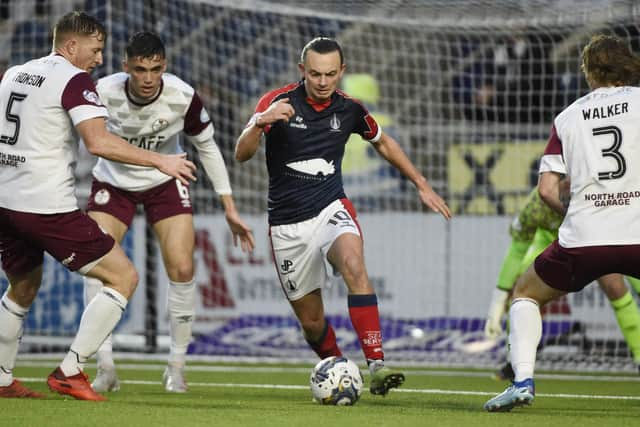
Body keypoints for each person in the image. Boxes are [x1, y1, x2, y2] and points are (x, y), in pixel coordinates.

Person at [235, 37, 451, 396]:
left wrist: (420, 183)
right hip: (287, 225)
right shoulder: (276, 102)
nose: (323, 82)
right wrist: (259, 123)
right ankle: (339, 368)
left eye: (331, 75)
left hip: (331, 207)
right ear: (302, 70)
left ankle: (377, 364)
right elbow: (241, 154)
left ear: (342, 72)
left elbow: (382, 141)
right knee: (312, 323)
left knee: (354, 263)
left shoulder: (349, 108)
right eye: (315, 74)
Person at [0, 12, 196, 401]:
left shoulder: (15, 74)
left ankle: (2, 378)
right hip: (45, 204)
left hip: (5, 200)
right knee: (123, 277)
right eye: (95, 49)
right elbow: (99, 142)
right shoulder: (73, 80)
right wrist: (162, 160)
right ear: (72, 46)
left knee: (22, 285)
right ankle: (72, 370)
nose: (99, 58)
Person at [83, 31, 255, 394]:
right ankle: (105, 366)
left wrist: (229, 206)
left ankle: (176, 367)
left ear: (165, 66)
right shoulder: (101, 92)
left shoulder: (183, 96)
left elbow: (207, 148)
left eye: (156, 69)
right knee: (96, 264)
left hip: (166, 181)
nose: (148, 78)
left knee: (182, 267)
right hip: (113, 184)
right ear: (124, 65)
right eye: (140, 69)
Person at [484, 34, 640, 412]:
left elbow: (546, 189)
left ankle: (522, 382)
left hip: (584, 236)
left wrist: (574, 214)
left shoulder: (568, 116)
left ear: (588, 73)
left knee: (525, 294)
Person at [485, 186, 640, 381]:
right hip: (552, 246)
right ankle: (514, 361)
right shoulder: (537, 205)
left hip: (593, 242)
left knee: (614, 286)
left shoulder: (601, 195)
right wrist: (498, 299)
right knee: (523, 289)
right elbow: (518, 248)